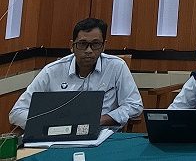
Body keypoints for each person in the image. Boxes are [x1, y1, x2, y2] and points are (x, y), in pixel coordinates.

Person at [9, 17, 142, 129]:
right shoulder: (52, 71)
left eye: (95, 44)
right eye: (82, 44)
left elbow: (134, 105)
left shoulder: (116, 66)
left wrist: (102, 119)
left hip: (103, 134)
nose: (89, 50)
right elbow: (17, 112)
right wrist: (52, 122)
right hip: (59, 135)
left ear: (103, 46)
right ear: (72, 46)